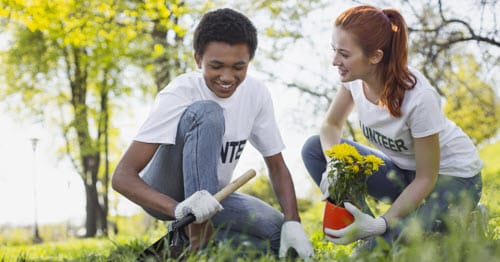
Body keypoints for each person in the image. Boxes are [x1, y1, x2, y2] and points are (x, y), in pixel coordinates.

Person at [112, 8, 313, 258]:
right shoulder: (180, 92)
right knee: (208, 112)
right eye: (216, 66)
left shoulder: (256, 94)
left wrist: (293, 221)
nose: (227, 77)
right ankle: (199, 245)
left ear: (249, 60)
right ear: (198, 59)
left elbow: (276, 164)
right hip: (167, 195)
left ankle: (180, 244)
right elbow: (122, 177)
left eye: (239, 67)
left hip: (215, 196)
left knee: (277, 234)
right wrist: (179, 210)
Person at [301, 5, 483, 249]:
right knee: (314, 149)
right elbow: (331, 125)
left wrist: (382, 223)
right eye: (334, 50)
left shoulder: (419, 98)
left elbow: (426, 178)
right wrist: (334, 164)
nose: (335, 61)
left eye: (344, 54)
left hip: (452, 178)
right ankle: (364, 230)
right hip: (404, 175)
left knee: (385, 250)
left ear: (375, 56)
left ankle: (461, 219)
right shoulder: (355, 81)